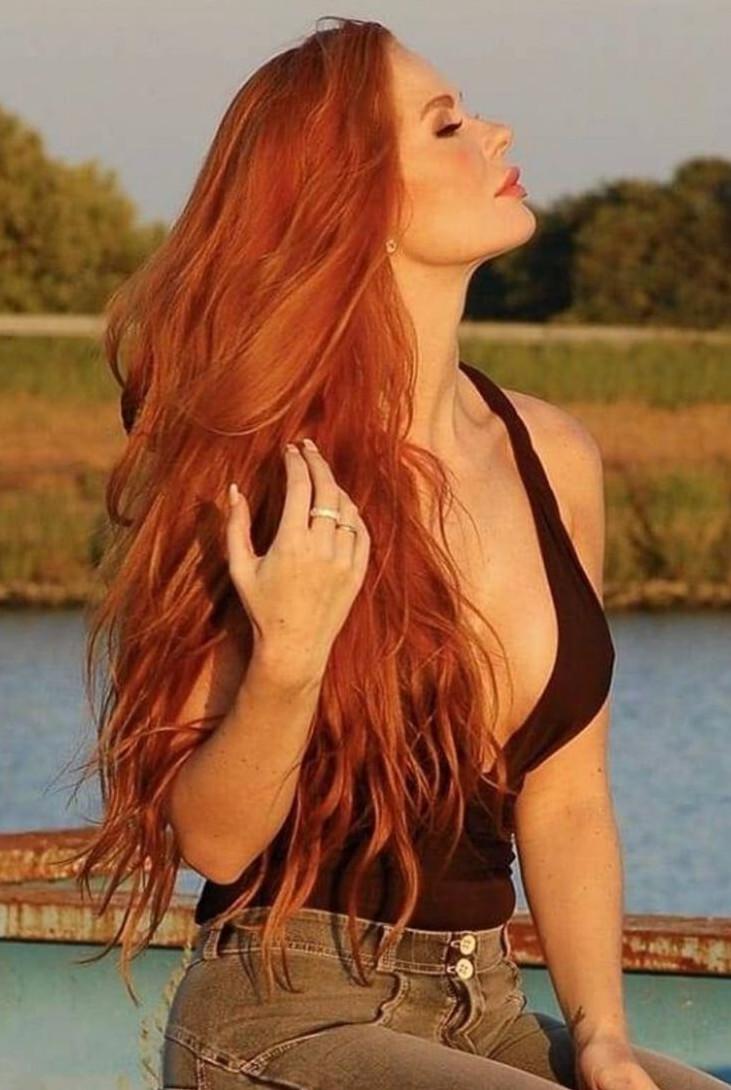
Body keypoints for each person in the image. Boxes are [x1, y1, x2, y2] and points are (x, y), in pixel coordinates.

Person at [71, 16, 727, 1090]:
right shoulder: (261, 469)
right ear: (356, 199)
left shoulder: (551, 455)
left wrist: (602, 1035)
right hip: (285, 1010)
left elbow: (565, 796)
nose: (496, 132)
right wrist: (290, 659)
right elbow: (215, 843)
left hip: (491, 1010)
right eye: (446, 125)